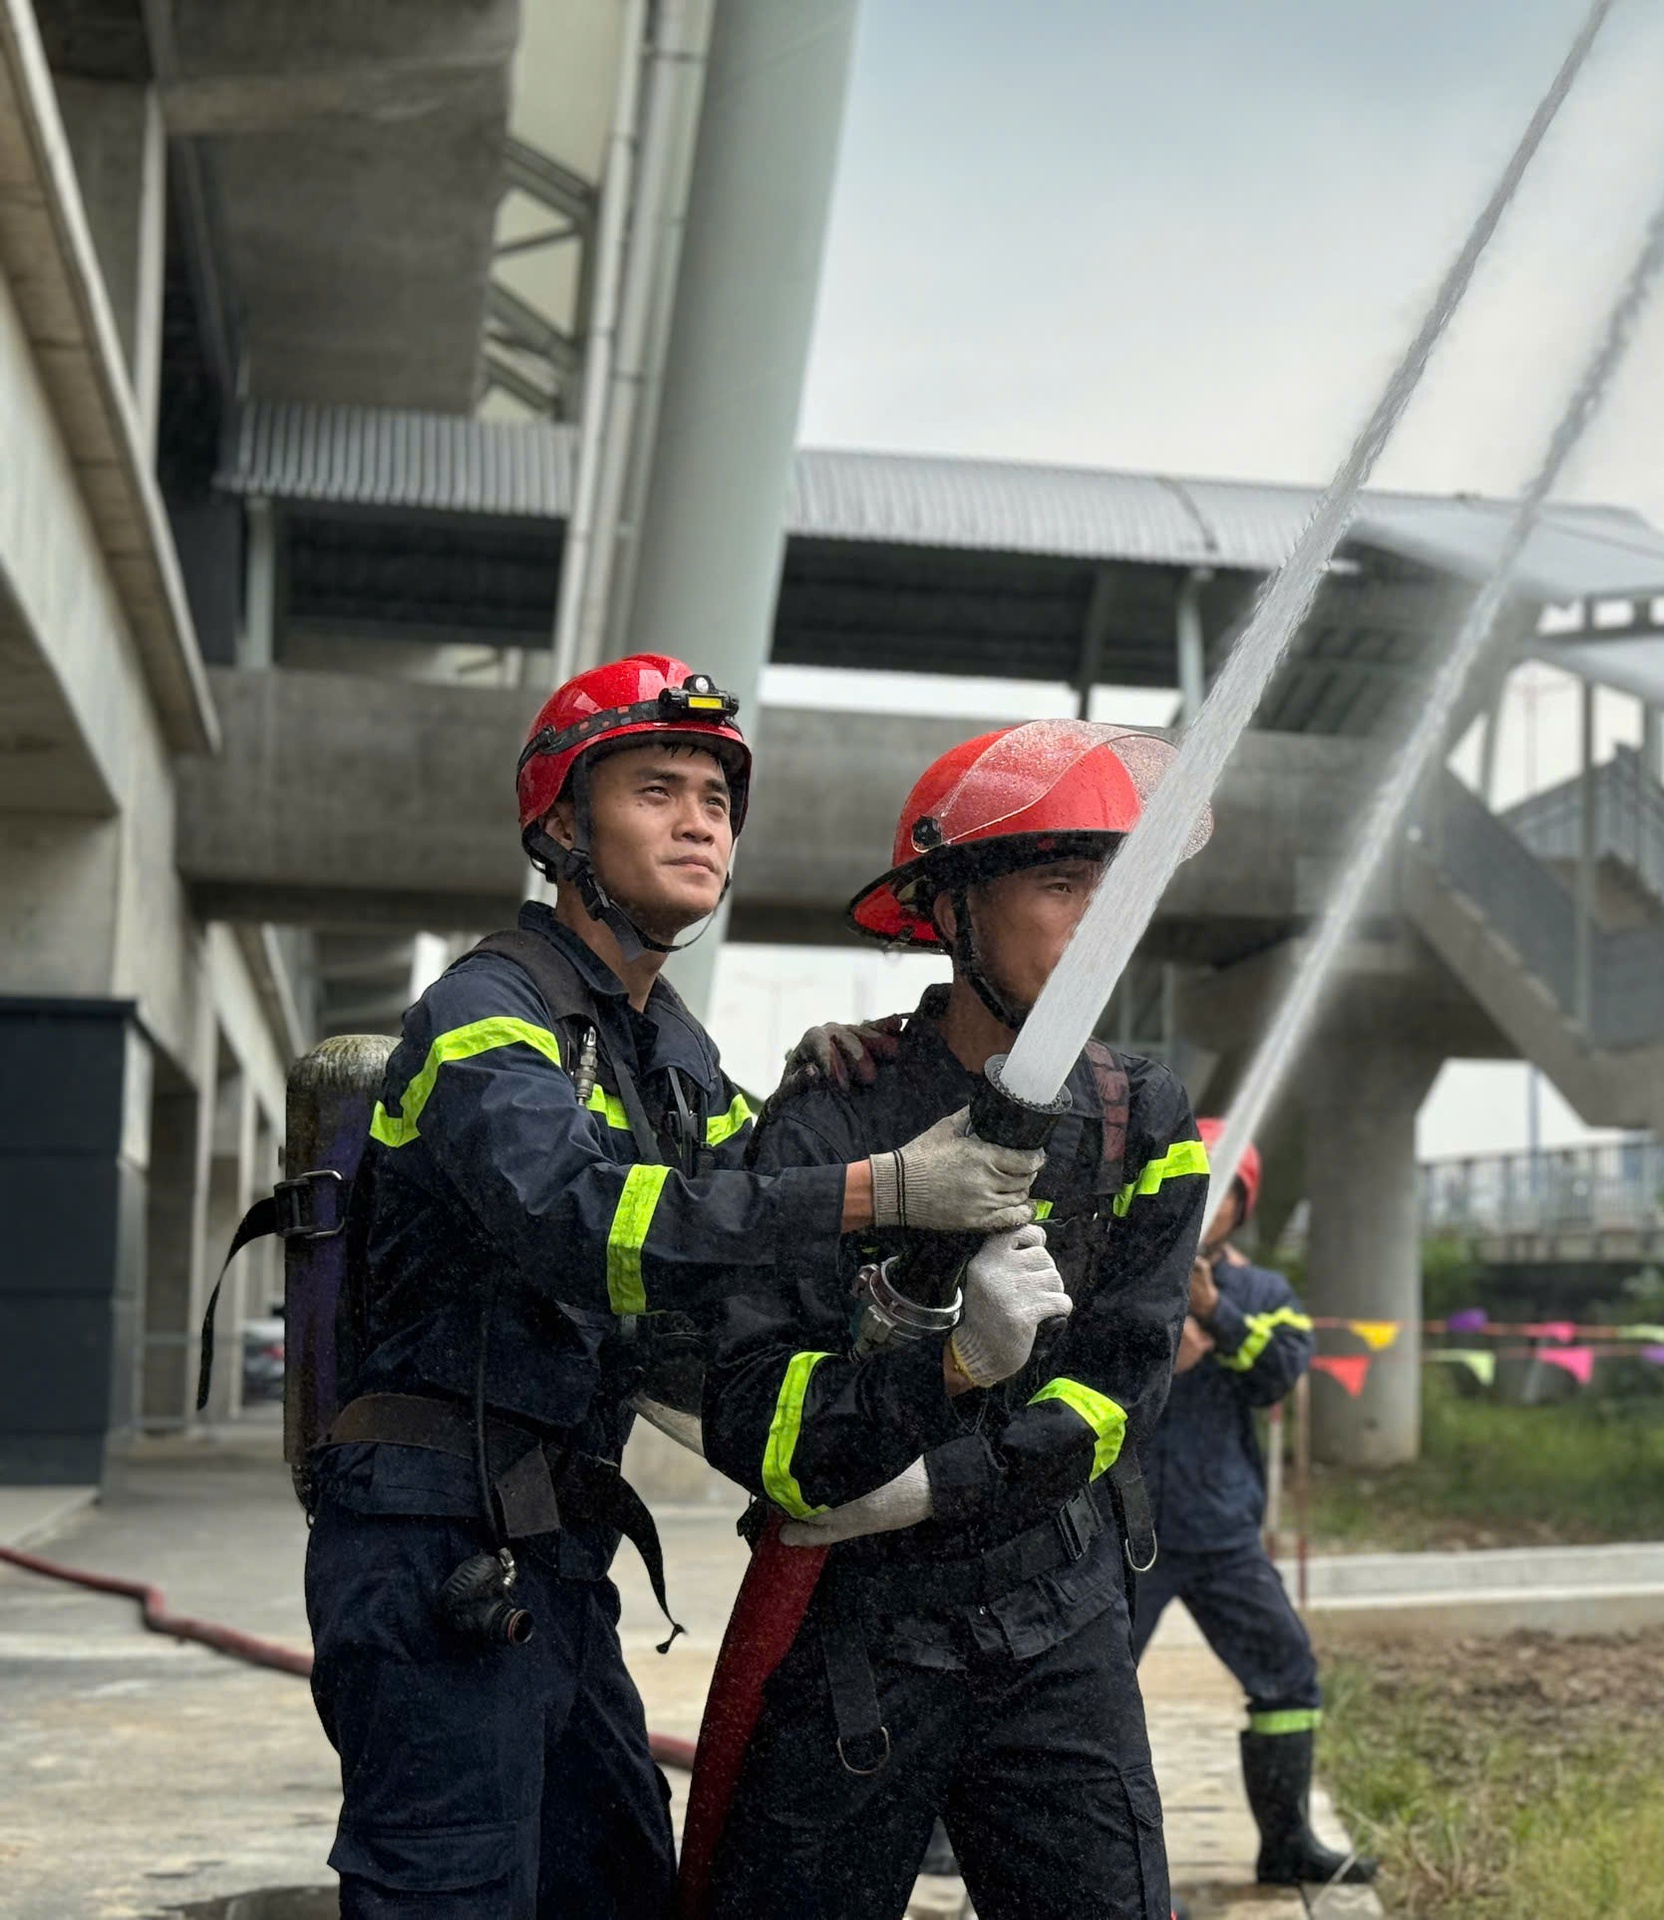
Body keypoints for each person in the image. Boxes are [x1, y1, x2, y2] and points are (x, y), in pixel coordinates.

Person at [303, 655, 1042, 1919]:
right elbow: (585, 1220)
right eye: (657, 789)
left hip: (552, 1559)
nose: (700, 818)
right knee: (449, 1892)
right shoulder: (488, 1014)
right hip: (431, 1550)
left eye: (716, 797)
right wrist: (878, 1186)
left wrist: (829, 1098)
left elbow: (751, 1224)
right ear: (558, 827)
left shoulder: (665, 1046)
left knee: (622, 1884)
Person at [692, 719, 1209, 1920]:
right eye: (1059, 882)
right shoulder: (831, 1122)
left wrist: (932, 1482)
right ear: (951, 909)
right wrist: (946, 1368)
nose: (1099, 919)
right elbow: (765, 1422)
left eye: (1116, 887)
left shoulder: (1142, 1116)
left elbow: (1119, 1391)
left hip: (1061, 1620)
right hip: (859, 1631)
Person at [1133, 1117, 1377, 1889]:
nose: (1206, 1204)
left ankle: (1288, 1843)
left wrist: (1215, 1315)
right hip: (1121, 1533)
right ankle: (956, 1836)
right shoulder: (1121, 1273)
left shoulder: (1263, 1293)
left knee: (1288, 1674)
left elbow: (1276, 1375)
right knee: (1052, 1694)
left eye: (1223, 1191)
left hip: (1220, 1533)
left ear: (1245, 1200)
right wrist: (1163, 1343)